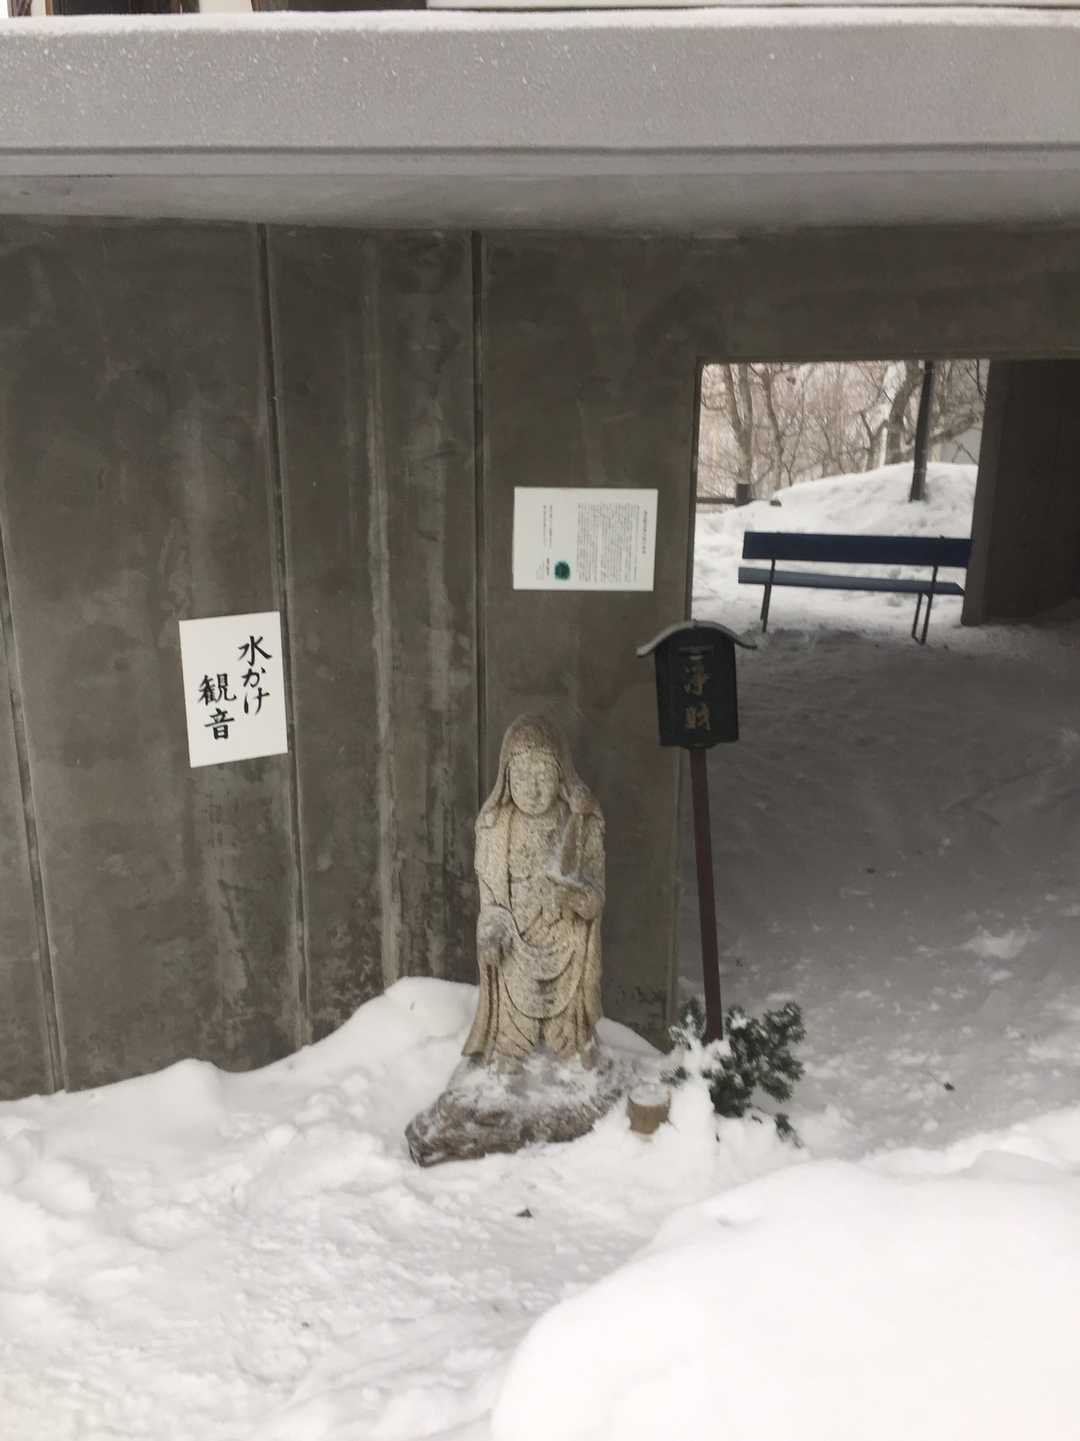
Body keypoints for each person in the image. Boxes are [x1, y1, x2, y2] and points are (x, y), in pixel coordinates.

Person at [462, 714, 605, 1066]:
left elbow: (594, 900)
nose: (533, 787)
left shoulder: (580, 823)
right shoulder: (494, 827)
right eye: (522, 776)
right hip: (515, 947)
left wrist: (574, 898)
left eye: (543, 774)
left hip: (566, 948)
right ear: (506, 778)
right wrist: (492, 935)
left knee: (568, 1046)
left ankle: (570, 1039)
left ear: (561, 777)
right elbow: (491, 904)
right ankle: (511, 1042)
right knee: (513, 1043)